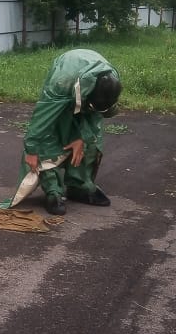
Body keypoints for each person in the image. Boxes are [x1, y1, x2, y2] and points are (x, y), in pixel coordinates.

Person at [7, 48, 122, 216]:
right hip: (66, 79)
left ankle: (79, 186)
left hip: (86, 89)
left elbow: (95, 117)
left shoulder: (112, 82)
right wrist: (31, 149)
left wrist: (82, 138)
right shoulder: (61, 83)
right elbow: (43, 118)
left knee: (91, 142)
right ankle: (53, 191)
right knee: (49, 138)